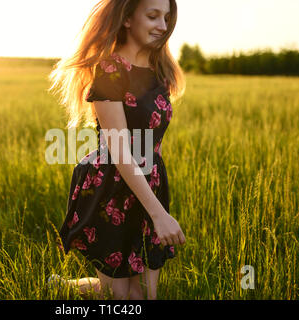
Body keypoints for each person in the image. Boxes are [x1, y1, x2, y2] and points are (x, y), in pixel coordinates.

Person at [48, 0, 186, 300]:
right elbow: (120, 151)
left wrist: (155, 206)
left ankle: (66, 285)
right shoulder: (109, 70)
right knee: (122, 297)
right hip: (110, 185)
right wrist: (159, 215)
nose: (162, 26)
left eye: (166, 17)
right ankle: (68, 287)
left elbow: (149, 138)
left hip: (149, 180)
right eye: (152, 16)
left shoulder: (160, 69)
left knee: (146, 294)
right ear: (126, 19)